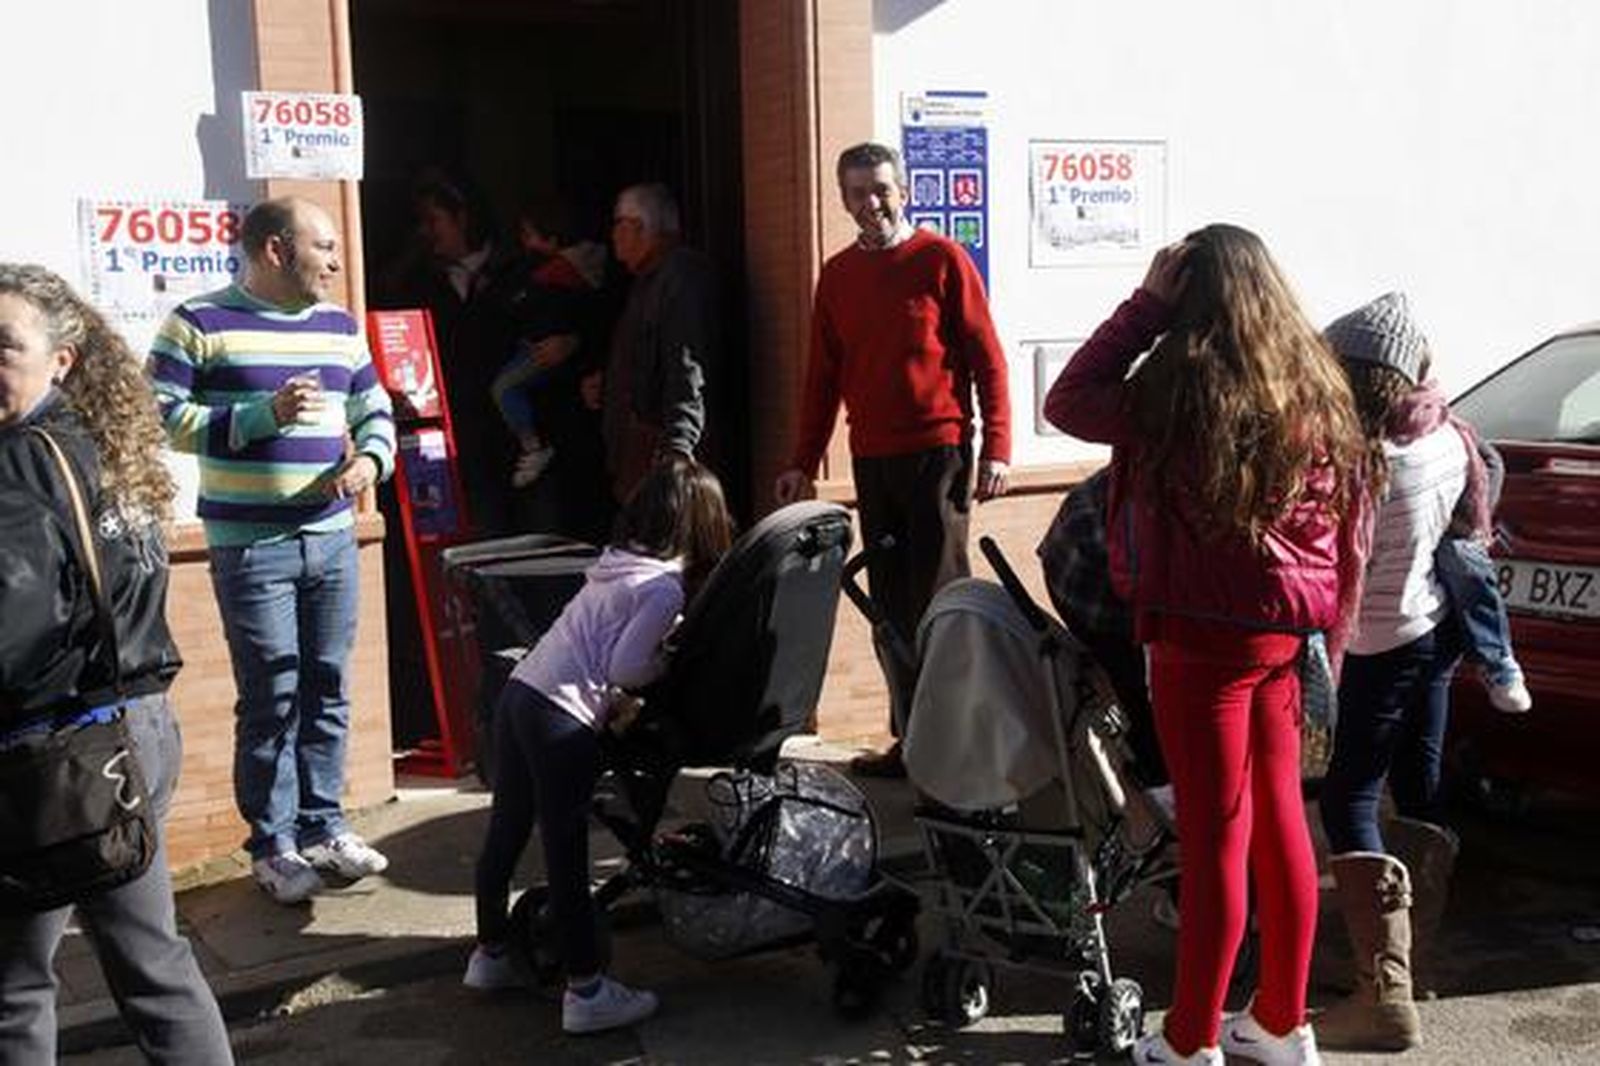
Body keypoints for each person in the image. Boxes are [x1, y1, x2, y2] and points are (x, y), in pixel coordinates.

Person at [1046, 226, 1371, 1066]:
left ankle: (1190, 1040)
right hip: (1283, 635)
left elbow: (1070, 399)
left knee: (1216, 840)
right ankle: (1279, 1022)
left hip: (1199, 641)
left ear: (1186, 292)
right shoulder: (1313, 382)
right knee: (1281, 828)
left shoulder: (1177, 383)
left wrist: (1144, 309)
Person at [0, 264, 234, 1063]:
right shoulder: (92, 446)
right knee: (152, 962)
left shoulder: (17, 466)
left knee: (14, 987)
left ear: (60, 359)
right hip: (130, 732)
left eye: (4, 346)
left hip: (52, 754)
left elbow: (14, 635)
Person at [149, 198, 397, 906]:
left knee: (328, 685)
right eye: (323, 246)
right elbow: (158, 414)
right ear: (275, 251)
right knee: (272, 697)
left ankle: (324, 827)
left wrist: (370, 464)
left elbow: (373, 409)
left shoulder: (340, 326)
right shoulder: (198, 323)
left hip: (332, 538)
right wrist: (262, 417)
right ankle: (273, 843)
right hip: (250, 547)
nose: (336, 261)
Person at [464, 455, 734, 1034]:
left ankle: (488, 955)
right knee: (566, 853)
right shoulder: (662, 588)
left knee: (507, 829)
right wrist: (665, 661)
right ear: (704, 524)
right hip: (563, 718)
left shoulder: (615, 564)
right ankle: (586, 991)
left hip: (521, 693)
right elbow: (627, 666)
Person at [773, 142, 1012, 779]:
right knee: (889, 607)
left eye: (880, 189)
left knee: (942, 603)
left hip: (939, 455)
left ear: (902, 190)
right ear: (842, 198)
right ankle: (911, 740)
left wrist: (1000, 448)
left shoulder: (941, 259)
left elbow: (987, 358)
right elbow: (822, 378)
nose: (870, 203)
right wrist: (802, 459)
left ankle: (958, 746)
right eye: (856, 192)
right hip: (871, 458)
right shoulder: (839, 275)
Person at [1316, 293, 1482, 1051]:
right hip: (1435, 631)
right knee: (1418, 784)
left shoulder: (1367, 464)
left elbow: (1330, 569)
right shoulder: (1449, 433)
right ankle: (1420, 957)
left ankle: (1382, 987)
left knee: (1350, 799)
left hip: (1378, 648)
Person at [590, 182, 719, 504]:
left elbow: (687, 367)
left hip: (662, 463)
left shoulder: (681, 278)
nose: (613, 234)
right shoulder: (648, 280)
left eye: (618, 223)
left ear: (639, 227)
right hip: (640, 461)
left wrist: (678, 452)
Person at [491, 199, 608, 489]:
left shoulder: (548, 273)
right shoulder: (583, 272)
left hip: (566, 419)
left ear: (551, 238)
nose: (524, 242)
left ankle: (533, 447)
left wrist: (575, 342)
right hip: (557, 399)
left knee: (503, 387)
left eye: (529, 235)